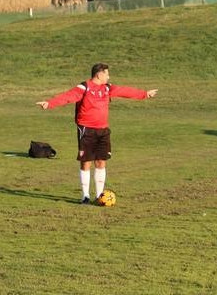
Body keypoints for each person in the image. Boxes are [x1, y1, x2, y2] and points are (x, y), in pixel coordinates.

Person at [36, 63, 158, 204]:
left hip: (103, 130)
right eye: (106, 73)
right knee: (86, 162)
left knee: (101, 161)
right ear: (99, 74)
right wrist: (49, 103)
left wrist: (145, 94)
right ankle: (85, 196)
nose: (108, 76)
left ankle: (100, 195)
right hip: (86, 130)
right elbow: (67, 97)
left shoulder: (107, 88)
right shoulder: (84, 87)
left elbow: (125, 91)